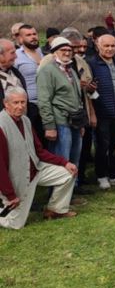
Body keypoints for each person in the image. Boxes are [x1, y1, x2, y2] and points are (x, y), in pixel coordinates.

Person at [0, 88, 78, 228]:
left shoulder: (25, 120)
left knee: (68, 173)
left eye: (23, 102)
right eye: (15, 102)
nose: (20, 106)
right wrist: (10, 195)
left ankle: (56, 210)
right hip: (17, 180)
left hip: (36, 170)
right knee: (15, 224)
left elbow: (39, 151)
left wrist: (64, 162)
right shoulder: (1, 125)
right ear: (6, 104)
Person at [36, 37, 86, 179]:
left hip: (75, 120)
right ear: (54, 52)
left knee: (74, 158)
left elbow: (78, 98)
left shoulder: (70, 70)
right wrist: (49, 126)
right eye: (63, 50)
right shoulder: (47, 71)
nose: (67, 53)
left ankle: (71, 191)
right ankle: (57, 196)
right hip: (60, 122)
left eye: (69, 50)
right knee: (61, 160)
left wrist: (82, 123)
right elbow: (44, 100)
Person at [87, 34, 115, 190]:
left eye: (112, 46)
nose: (110, 49)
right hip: (102, 112)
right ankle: (101, 175)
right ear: (98, 46)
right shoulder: (92, 63)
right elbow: (88, 88)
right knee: (102, 145)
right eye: (106, 46)